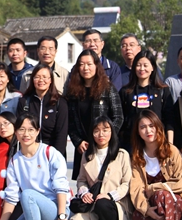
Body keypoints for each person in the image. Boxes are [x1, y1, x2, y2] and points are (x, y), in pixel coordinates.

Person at [0, 114, 71, 220]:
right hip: (31, 209)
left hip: (54, 210)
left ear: (37, 131)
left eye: (30, 129)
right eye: (21, 129)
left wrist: (62, 216)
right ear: (16, 132)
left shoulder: (49, 153)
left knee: (28, 194)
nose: (26, 134)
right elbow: (11, 197)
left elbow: (61, 187)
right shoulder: (15, 161)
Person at [69, 116, 132, 220]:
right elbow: (81, 180)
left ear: (112, 132)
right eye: (96, 131)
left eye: (105, 130)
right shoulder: (87, 155)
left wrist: (110, 195)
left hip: (117, 201)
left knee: (103, 203)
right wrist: (84, 192)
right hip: (93, 201)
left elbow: (127, 183)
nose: (101, 134)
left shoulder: (122, 154)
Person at [67, 50, 124, 180]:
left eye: (89, 64)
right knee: (84, 184)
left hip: (104, 146)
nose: (85, 68)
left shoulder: (107, 88)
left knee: (106, 182)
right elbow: (70, 121)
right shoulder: (73, 91)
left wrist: (106, 137)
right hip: (83, 148)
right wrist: (78, 141)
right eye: (81, 64)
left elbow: (118, 117)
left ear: (96, 66)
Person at [119, 51, 169, 152]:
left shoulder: (162, 90)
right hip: (131, 145)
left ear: (152, 67)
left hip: (157, 143)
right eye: (138, 65)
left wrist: (169, 143)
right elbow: (121, 118)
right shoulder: (125, 91)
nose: (142, 69)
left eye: (145, 65)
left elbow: (169, 119)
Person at [20, 64, 68, 158]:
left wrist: (56, 157)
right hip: (30, 154)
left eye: (45, 77)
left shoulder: (60, 103)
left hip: (53, 153)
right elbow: (20, 130)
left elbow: (62, 134)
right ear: (32, 79)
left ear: (51, 80)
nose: (41, 80)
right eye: (37, 77)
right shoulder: (24, 101)